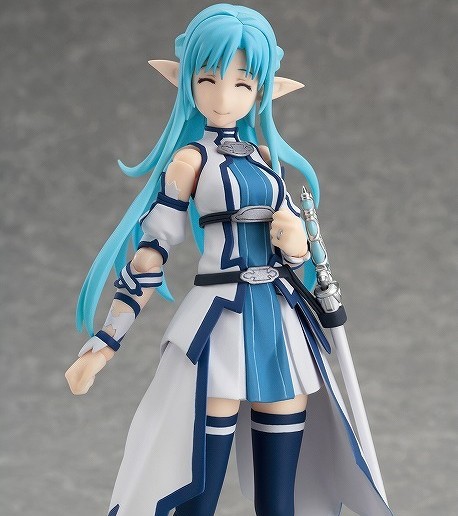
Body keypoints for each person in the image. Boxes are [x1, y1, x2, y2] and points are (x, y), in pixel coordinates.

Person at [65, 5, 392, 515]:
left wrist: (296, 242)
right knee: (196, 491)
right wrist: (106, 342)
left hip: (280, 327)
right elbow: (152, 252)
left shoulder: (265, 159)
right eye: (208, 80)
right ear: (188, 83)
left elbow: (300, 252)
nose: (223, 97)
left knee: (282, 499)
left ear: (260, 90)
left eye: (242, 83)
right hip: (217, 327)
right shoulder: (189, 161)